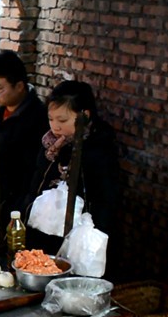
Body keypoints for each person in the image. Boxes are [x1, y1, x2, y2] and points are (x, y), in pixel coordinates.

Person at [23, 80, 119, 254]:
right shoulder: (51, 144)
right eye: (51, 119)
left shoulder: (98, 148)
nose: (55, 126)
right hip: (44, 231)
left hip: (79, 235)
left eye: (62, 120)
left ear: (85, 115)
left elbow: (104, 199)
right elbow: (36, 182)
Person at [0, 50, 49, 234]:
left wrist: (21, 209)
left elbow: (31, 171)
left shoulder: (37, 119)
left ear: (19, 86)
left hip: (17, 206)